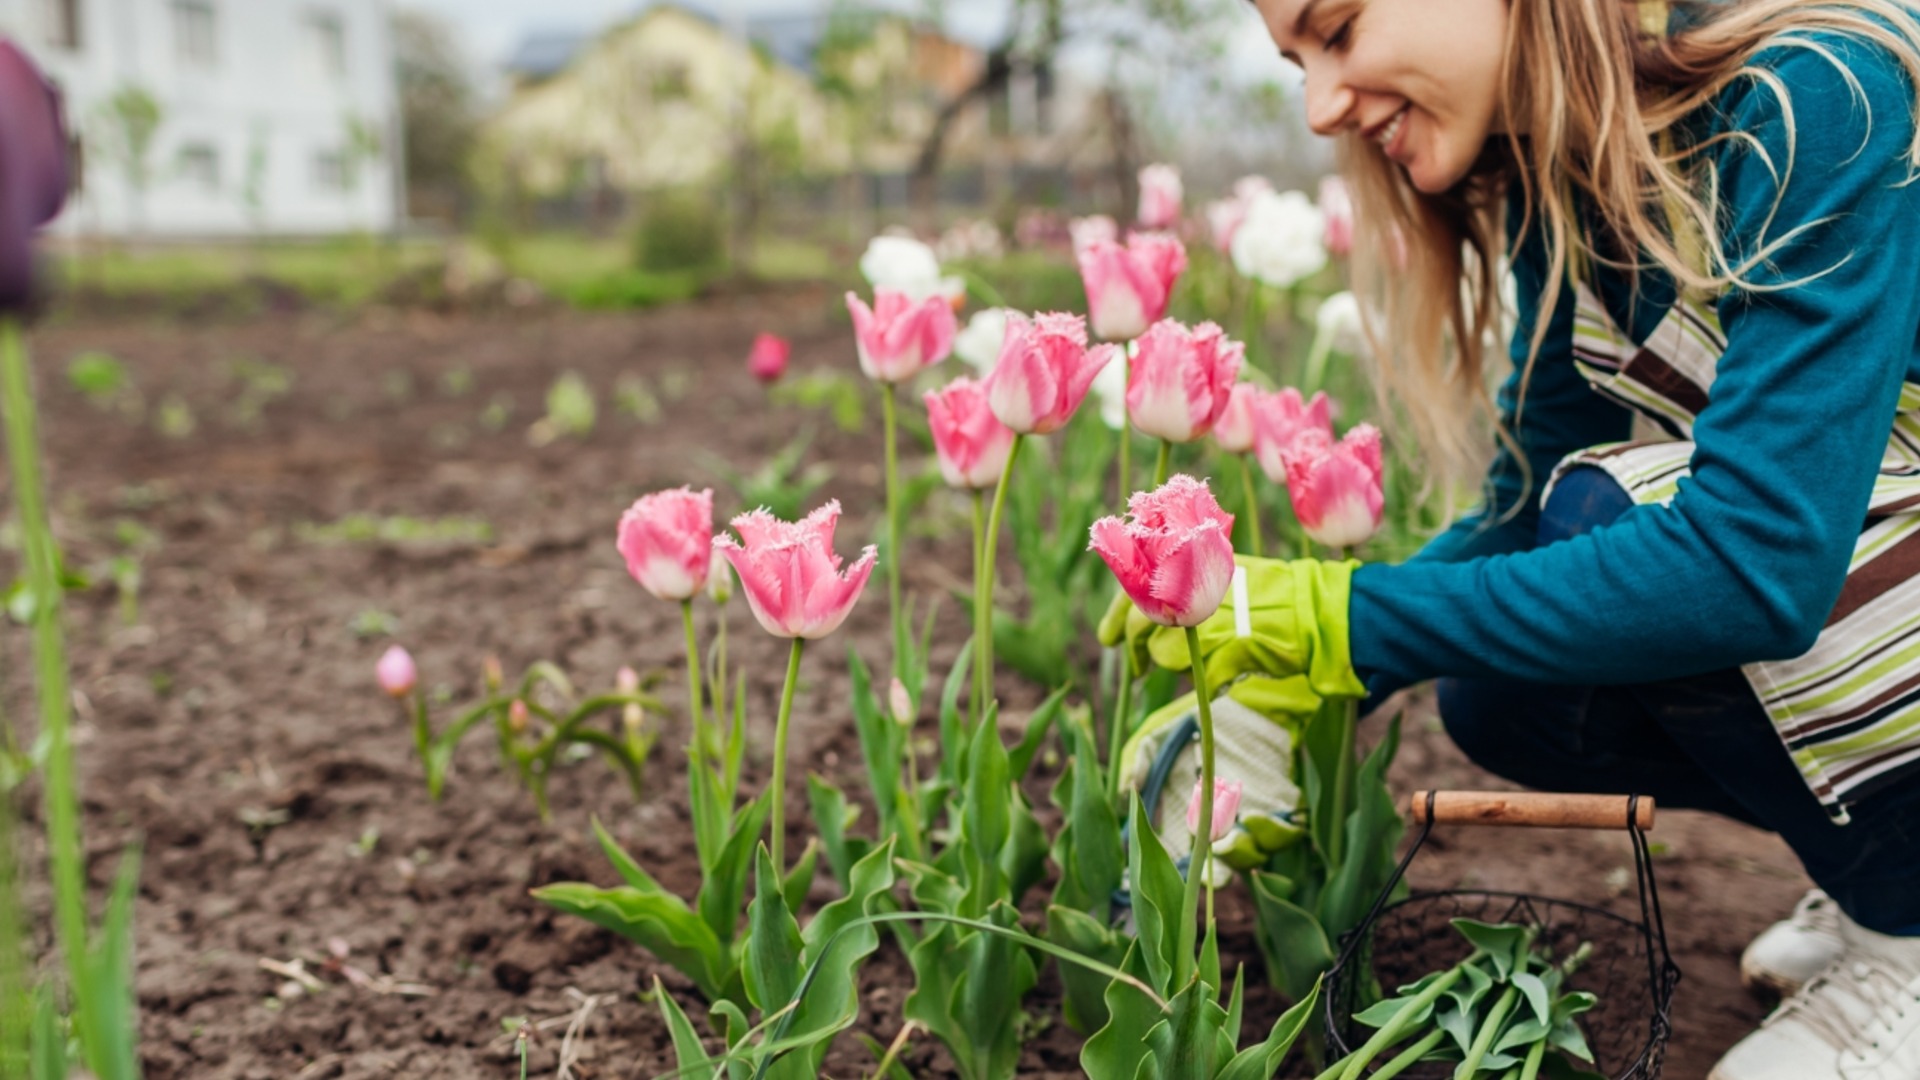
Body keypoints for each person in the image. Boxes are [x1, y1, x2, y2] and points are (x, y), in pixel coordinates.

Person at [1116, 1, 1920, 1076]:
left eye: (1340, 29)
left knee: (1625, 528)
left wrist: (1341, 619)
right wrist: (1297, 674)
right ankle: (1883, 871)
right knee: (1508, 691)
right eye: (1295, 61)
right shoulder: (1572, 174)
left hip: (1799, 559)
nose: (1319, 108)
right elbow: (1520, 502)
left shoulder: (1816, 91)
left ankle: (1908, 934)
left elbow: (1757, 562)